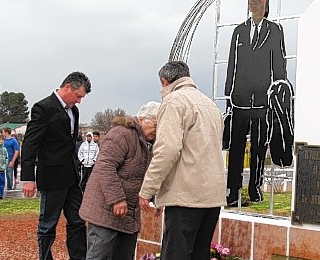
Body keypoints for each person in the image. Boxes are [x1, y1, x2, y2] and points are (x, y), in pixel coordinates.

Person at [138, 61, 226, 260]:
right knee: (199, 253)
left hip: (185, 195)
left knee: (176, 253)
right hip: (211, 195)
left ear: (164, 81)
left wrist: (148, 189)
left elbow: (167, 149)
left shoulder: (174, 101)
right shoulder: (210, 105)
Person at [223, 0, 293, 205]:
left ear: (266, 5)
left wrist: (279, 89)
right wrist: (229, 95)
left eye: (260, 1)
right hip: (240, 101)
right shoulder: (238, 32)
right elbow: (231, 66)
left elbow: (279, 63)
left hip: (263, 101)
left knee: (259, 147)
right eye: (252, 1)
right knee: (236, 148)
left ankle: (255, 188)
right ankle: (232, 190)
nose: (255, 4)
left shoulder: (275, 30)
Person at [21, 71, 91, 260]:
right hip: (51, 176)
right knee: (47, 225)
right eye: (78, 96)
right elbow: (30, 144)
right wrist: (28, 178)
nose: (79, 101)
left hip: (72, 177)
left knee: (77, 221)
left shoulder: (74, 111)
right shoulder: (43, 108)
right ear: (67, 87)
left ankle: (79, 257)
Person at [80, 102, 159, 260]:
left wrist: (153, 197)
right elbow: (105, 166)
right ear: (142, 119)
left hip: (128, 215)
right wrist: (117, 199)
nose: (158, 130)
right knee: (99, 256)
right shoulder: (121, 134)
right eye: (156, 124)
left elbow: (145, 173)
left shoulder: (147, 142)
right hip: (105, 211)